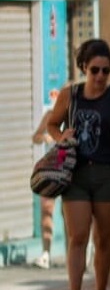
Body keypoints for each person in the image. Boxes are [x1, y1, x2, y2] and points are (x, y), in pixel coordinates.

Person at [47, 39, 110, 290]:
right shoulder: (70, 95)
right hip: (75, 172)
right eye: (95, 70)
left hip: (107, 174)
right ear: (84, 67)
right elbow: (52, 122)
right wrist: (61, 136)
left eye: (105, 71)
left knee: (103, 237)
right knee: (78, 235)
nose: (100, 76)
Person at [31, 110, 55, 270]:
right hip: (51, 170)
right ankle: (46, 254)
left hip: (72, 170)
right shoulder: (51, 115)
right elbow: (36, 137)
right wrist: (45, 137)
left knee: (70, 215)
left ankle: (73, 254)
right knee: (46, 210)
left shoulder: (79, 116)